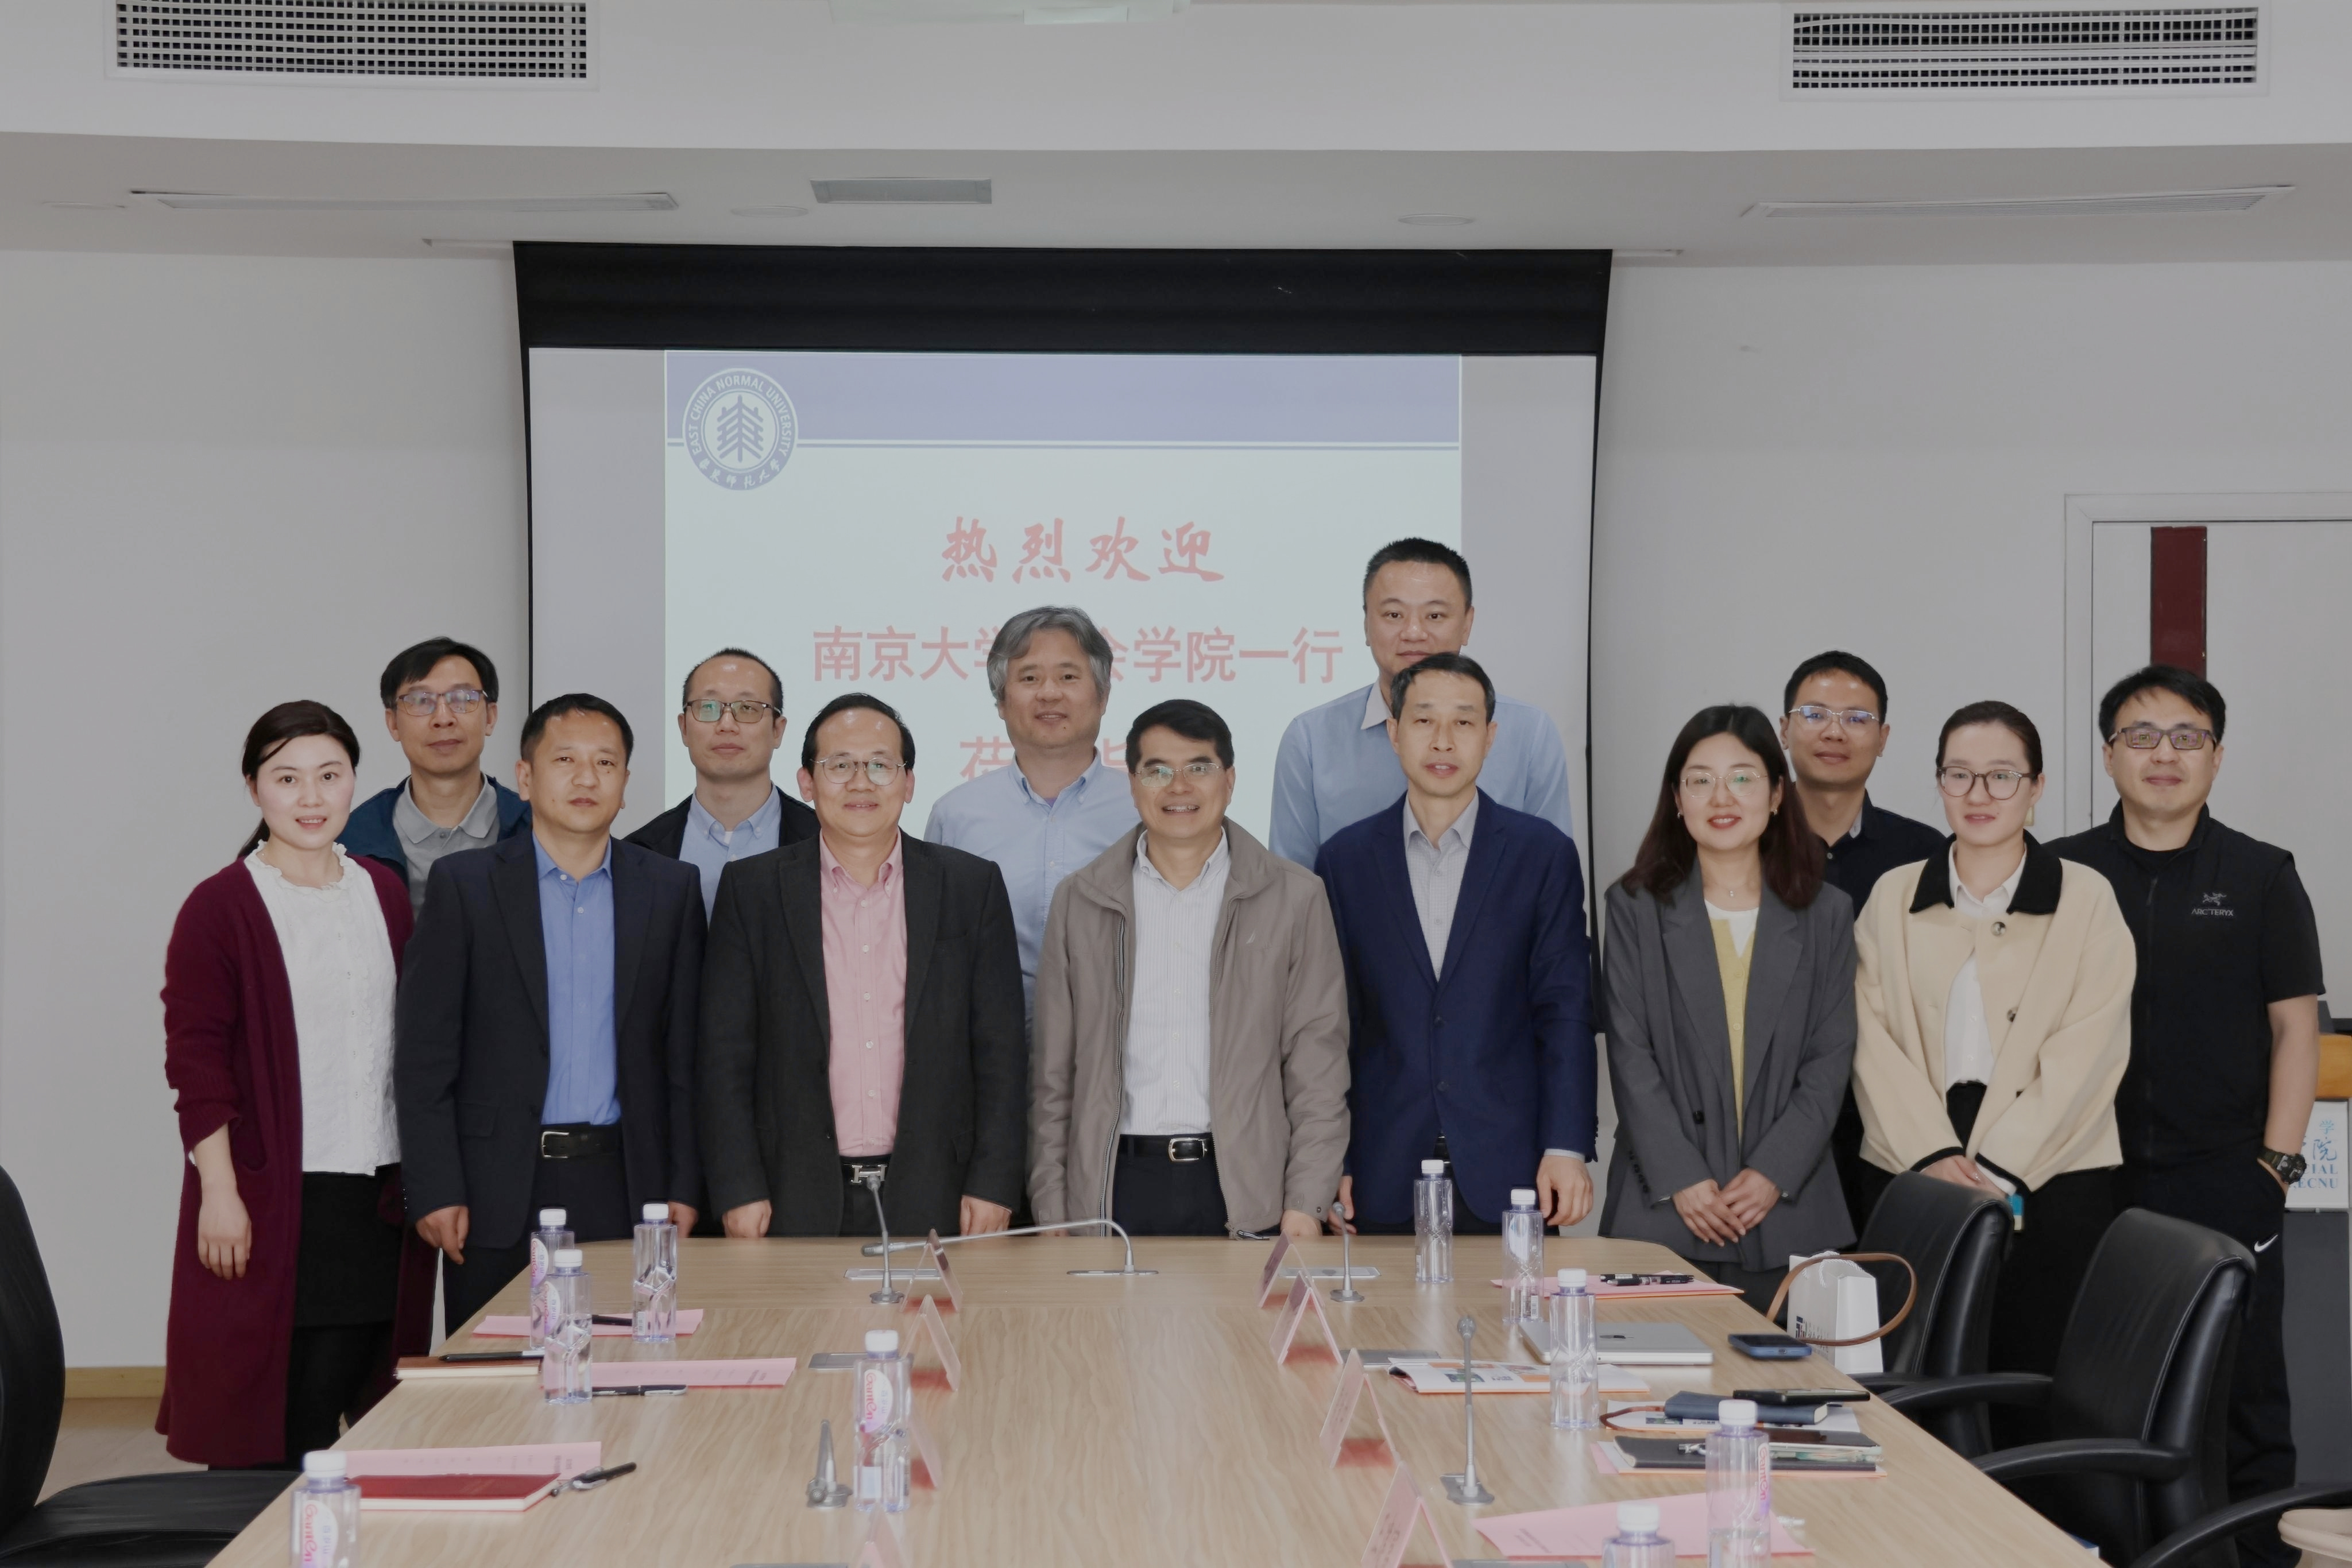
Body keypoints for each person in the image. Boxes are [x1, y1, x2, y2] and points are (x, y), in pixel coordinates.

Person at [2051, 666, 2322, 1568]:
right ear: (2108, 755)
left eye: (2186, 736)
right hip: (2088, 1174)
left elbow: (2296, 1030)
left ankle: (2258, 1555)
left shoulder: (2262, 873)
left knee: (2245, 1394)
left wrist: (2275, 1169)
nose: (2163, 753)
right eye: (2141, 735)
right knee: (2091, 1390)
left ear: (2216, 755)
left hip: (2226, 1176)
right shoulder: (2062, 870)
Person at [158, 702, 434, 1467]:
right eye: (287, 778)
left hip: (379, 1196)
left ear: (354, 782)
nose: (311, 798)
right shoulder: (220, 905)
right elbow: (196, 1061)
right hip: (275, 1196)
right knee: (280, 1416)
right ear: (254, 788)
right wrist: (219, 1191)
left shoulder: (383, 891)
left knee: (369, 1399)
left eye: (329, 775)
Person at [395, 694, 706, 1333]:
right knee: (498, 1370)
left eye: (606, 763)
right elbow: (425, 1056)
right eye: (565, 760)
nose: (586, 777)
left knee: (629, 1364)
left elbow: (685, 1058)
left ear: (625, 783)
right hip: (497, 1186)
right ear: (526, 777)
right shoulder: (466, 886)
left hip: (628, 1184)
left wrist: (685, 1183)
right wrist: (436, 1186)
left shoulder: (669, 890)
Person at [1852, 700, 2133, 1381]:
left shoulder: (2086, 897)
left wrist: (1999, 1174)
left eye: (2002, 775)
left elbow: (2089, 1048)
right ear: (1939, 782)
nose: (1978, 794)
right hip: (1913, 1162)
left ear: (2036, 787)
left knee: (2030, 1379)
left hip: (2053, 1170)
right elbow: (1868, 1038)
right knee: (1909, 1374)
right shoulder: (1892, 894)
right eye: (1959, 774)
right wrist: (1931, 1155)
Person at [698, 693, 1026, 1241]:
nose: (860, 782)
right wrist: (737, 1187)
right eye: (840, 765)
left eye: (880, 765)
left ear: (908, 782)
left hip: (940, 1193)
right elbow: (724, 1055)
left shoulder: (971, 887)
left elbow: (1001, 1051)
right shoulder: (752, 891)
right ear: (807, 782)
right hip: (787, 1197)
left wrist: (994, 1182)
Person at [1030, 699, 1348, 1240]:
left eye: (1198, 767)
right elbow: (1052, 1078)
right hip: (1112, 1187)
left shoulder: (1295, 897)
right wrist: (1052, 1208)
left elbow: (1317, 1066)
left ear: (1229, 780)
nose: (1178, 787)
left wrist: (1306, 1202)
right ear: (1134, 785)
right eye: (1157, 771)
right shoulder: (1080, 900)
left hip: (1247, 1188)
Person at [1315, 653, 1595, 1239]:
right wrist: (1333, 1159)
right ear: (1394, 732)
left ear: (1489, 737)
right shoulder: (1345, 860)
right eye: (1424, 720)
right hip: (1380, 1169)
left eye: (1463, 722)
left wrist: (1566, 1145)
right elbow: (1334, 1026)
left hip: (1513, 1169)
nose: (1443, 741)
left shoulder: (1542, 855)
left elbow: (1565, 1009)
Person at [1596, 705, 1856, 1311]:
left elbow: (1830, 1059)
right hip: (1663, 1208)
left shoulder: (1826, 913)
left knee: (1786, 1372)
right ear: (1677, 799)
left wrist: (1773, 1172)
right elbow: (1630, 1054)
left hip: (1787, 1208)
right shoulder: (1634, 908)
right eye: (1700, 779)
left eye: (1742, 777)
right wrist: (1681, 1176)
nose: (1722, 797)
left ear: (1776, 795)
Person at [1268, 539, 1574, 868]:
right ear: (1367, 624)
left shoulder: (1530, 734)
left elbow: (1553, 871)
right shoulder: (1310, 740)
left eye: (1435, 615)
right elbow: (1290, 886)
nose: (1414, 633)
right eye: (1394, 614)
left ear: (1467, 624)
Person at [1778, 651, 1948, 1236]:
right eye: (1814, 714)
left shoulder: (1926, 853)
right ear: (1784, 729)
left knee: (1892, 1279)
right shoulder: (1745, 844)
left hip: (1895, 1121)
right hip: (1773, 1120)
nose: (1834, 732)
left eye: (1856, 718)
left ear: (1883, 738)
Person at [923, 607, 1138, 1012]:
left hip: (1117, 1038)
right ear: (1001, 702)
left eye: (1068, 677)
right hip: (988, 1038)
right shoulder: (956, 815)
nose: (1049, 694)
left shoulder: (1143, 809)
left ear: (1103, 696)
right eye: (1029, 678)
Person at [625, 646, 818, 921]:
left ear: (778, 730)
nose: (727, 725)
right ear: (684, 728)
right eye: (709, 708)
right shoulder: (640, 851)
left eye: (748, 708)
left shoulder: (824, 840)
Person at [343, 637, 531, 914]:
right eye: (421, 700)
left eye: (463, 699)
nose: (443, 718)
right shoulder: (352, 839)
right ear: (393, 723)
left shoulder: (536, 829)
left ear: (490, 717)